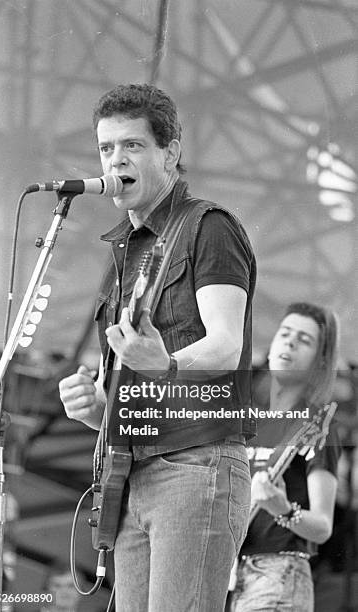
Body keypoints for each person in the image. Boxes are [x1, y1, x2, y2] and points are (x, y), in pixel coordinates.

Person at [59, 83, 257, 612]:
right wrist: (96, 407)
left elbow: (225, 346)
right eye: (105, 149)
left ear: (170, 152)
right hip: (132, 474)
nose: (114, 159)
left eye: (132, 146)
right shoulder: (124, 253)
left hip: (197, 466)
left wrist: (166, 365)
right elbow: (128, 387)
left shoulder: (207, 228)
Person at [229, 302, 341, 612]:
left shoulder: (317, 424)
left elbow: (322, 525)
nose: (289, 342)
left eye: (304, 340)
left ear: (320, 363)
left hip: (278, 574)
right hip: (227, 571)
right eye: (285, 333)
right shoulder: (244, 419)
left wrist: (283, 509)